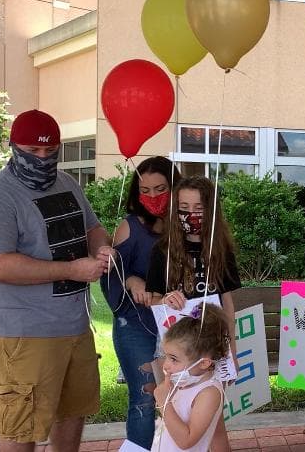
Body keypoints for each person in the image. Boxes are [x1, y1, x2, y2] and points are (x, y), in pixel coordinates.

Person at [0, 109, 112, 451]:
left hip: (74, 328)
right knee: (21, 428)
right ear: (14, 147)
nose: (43, 159)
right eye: (33, 151)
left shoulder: (67, 183)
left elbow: (91, 227)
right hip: (20, 336)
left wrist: (103, 248)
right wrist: (71, 270)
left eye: (51, 152)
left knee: (72, 414)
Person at [146, 175, 241, 452]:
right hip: (175, 349)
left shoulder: (220, 249)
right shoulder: (162, 251)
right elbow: (152, 301)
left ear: (210, 211)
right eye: (183, 208)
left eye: (198, 209)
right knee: (175, 413)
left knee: (214, 423)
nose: (190, 215)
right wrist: (164, 299)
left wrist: (232, 349)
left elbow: (227, 302)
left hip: (210, 348)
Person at [100, 156, 181, 449]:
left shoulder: (186, 226)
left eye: (161, 189)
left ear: (176, 186)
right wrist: (131, 280)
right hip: (136, 326)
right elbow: (110, 273)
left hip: (178, 326)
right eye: (145, 191)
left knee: (185, 396)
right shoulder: (129, 226)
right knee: (145, 399)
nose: (153, 198)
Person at [153, 303, 228, 452]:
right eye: (166, 356)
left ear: (204, 363)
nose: (166, 365)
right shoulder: (184, 382)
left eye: (174, 359)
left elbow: (187, 440)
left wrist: (163, 403)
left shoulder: (209, 393)